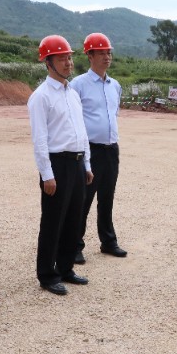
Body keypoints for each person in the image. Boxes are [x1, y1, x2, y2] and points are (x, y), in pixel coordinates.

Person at [28, 35, 93, 295]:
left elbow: (81, 132)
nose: (68, 63)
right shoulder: (41, 97)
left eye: (69, 58)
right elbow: (40, 139)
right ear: (48, 62)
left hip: (76, 163)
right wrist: (47, 174)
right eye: (62, 58)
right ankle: (47, 274)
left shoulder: (72, 94)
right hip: (57, 164)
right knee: (53, 221)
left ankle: (65, 268)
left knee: (73, 219)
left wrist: (87, 164)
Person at [70, 32, 126, 264]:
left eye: (108, 52)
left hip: (111, 149)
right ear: (90, 56)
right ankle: (74, 245)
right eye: (101, 53)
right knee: (83, 199)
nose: (107, 57)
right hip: (89, 150)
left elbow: (114, 114)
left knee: (107, 197)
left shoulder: (115, 86)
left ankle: (108, 241)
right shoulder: (78, 85)